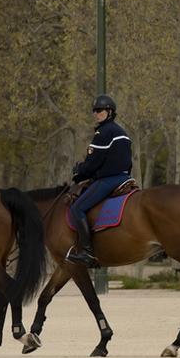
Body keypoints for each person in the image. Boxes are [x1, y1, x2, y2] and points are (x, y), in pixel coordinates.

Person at [66, 94, 133, 268]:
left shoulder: (103, 132)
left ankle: (87, 252)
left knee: (77, 208)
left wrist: (79, 172)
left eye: (100, 110)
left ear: (109, 112)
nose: (96, 114)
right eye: (94, 111)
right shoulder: (122, 133)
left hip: (109, 179)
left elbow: (93, 163)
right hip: (124, 177)